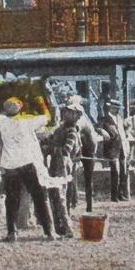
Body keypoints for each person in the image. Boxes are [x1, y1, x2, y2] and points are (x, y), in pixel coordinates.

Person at [0, 96, 54, 242]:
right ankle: (49, 231)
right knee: (39, 197)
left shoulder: (0, 121)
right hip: (27, 163)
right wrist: (42, 103)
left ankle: (11, 232)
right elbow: (47, 117)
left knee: (12, 200)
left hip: (10, 166)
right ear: (20, 110)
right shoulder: (27, 122)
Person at [42, 95, 85, 238]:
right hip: (54, 164)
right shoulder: (60, 128)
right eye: (66, 111)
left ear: (77, 116)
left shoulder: (72, 131)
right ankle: (59, 227)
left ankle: (68, 228)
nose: (66, 114)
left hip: (63, 165)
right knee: (54, 196)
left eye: (70, 112)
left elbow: (67, 150)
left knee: (60, 198)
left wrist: (50, 148)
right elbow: (50, 140)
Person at [98, 97, 128, 201]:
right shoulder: (105, 118)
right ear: (110, 108)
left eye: (117, 108)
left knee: (123, 171)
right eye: (115, 108)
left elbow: (123, 131)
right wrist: (102, 131)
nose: (116, 110)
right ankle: (114, 196)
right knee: (116, 171)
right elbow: (98, 127)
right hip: (112, 149)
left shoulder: (120, 119)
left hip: (122, 147)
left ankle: (121, 194)